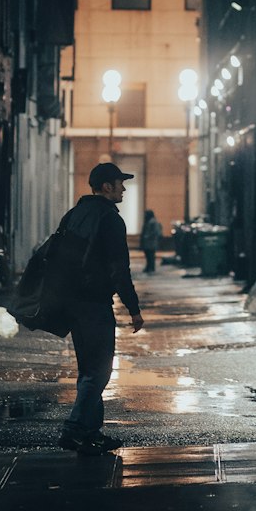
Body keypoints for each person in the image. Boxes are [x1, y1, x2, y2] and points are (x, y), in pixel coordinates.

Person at [58, 162, 145, 455]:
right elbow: (118, 268)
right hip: (94, 303)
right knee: (99, 371)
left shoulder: (75, 214)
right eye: (120, 183)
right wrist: (133, 307)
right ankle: (75, 429)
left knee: (89, 369)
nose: (124, 188)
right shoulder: (109, 218)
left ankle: (91, 433)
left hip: (73, 302)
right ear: (106, 186)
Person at [139, 208, 163, 274]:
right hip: (148, 242)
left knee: (151, 255)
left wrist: (147, 236)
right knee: (148, 255)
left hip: (151, 242)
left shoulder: (153, 222)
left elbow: (155, 232)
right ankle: (149, 267)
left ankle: (151, 267)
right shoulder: (149, 221)